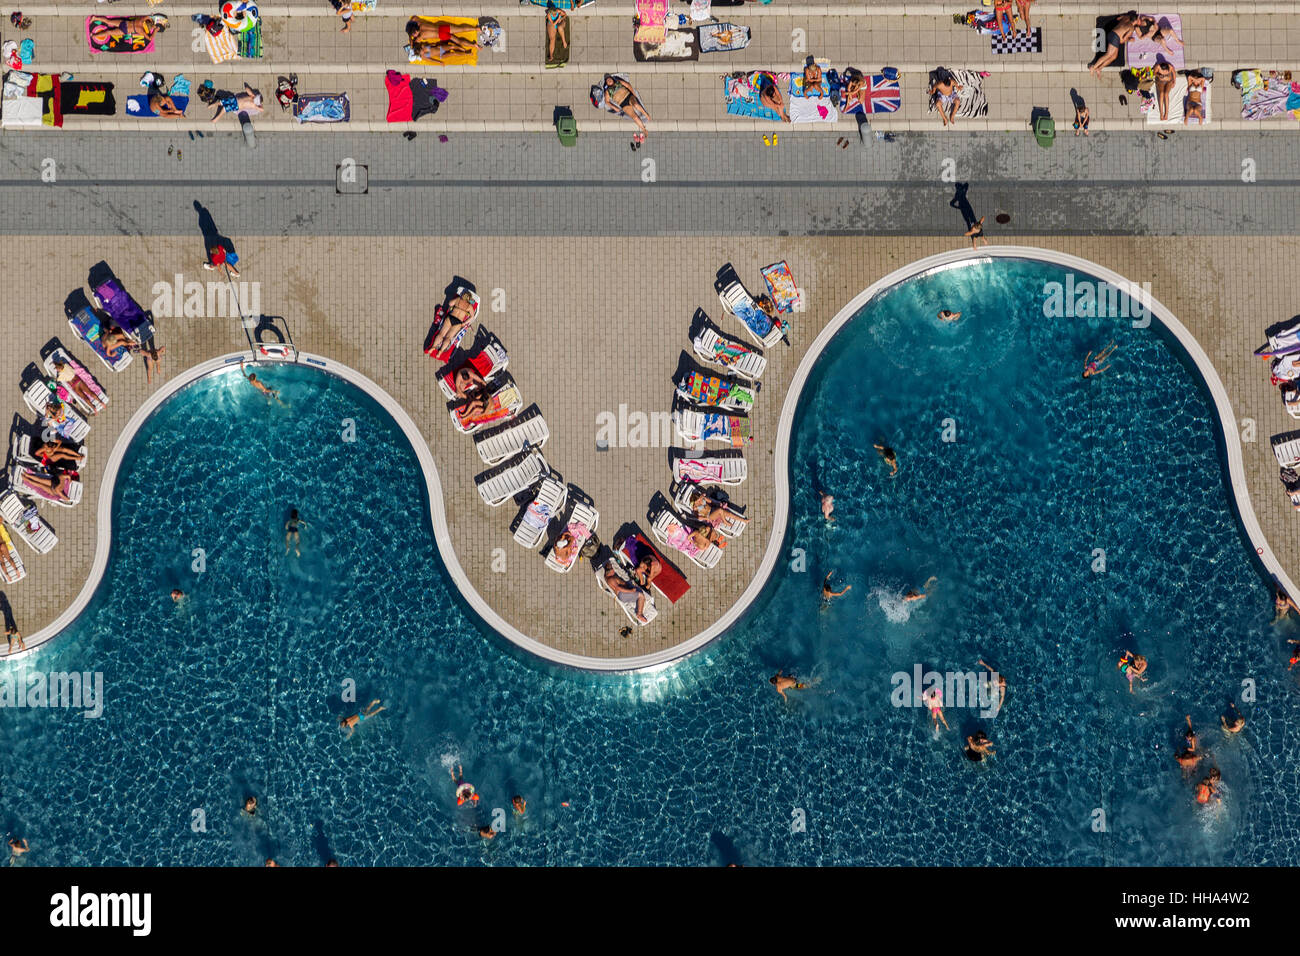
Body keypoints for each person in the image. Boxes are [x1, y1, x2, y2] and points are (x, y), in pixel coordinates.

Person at [1089, 12, 1141, 77]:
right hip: (1115, 37)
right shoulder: (1131, 28)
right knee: (1108, 55)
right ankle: (1093, 67)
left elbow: (1118, 18)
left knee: (1114, 57)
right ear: (1135, 21)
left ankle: (1099, 68)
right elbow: (1123, 40)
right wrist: (1129, 39)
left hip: (1112, 33)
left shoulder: (1126, 17)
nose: (1140, 21)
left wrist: (1121, 27)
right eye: (1139, 20)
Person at [602, 73, 651, 140]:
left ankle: (646, 114)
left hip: (628, 96)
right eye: (607, 81)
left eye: (610, 79)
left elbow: (628, 85)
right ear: (606, 84)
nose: (609, 80)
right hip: (622, 103)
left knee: (636, 105)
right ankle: (644, 129)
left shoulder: (618, 82)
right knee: (634, 117)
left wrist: (633, 93)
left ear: (612, 79)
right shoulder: (607, 91)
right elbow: (607, 102)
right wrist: (614, 107)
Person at [429, 290, 477, 356]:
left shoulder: (458, 299)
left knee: (441, 334)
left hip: (451, 318)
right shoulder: (469, 306)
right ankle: (440, 351)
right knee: (448, 337)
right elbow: (472, 317)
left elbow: (450, 303)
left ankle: (433, 347)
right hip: (458, 322)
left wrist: (456, 301)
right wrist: (465, 323)